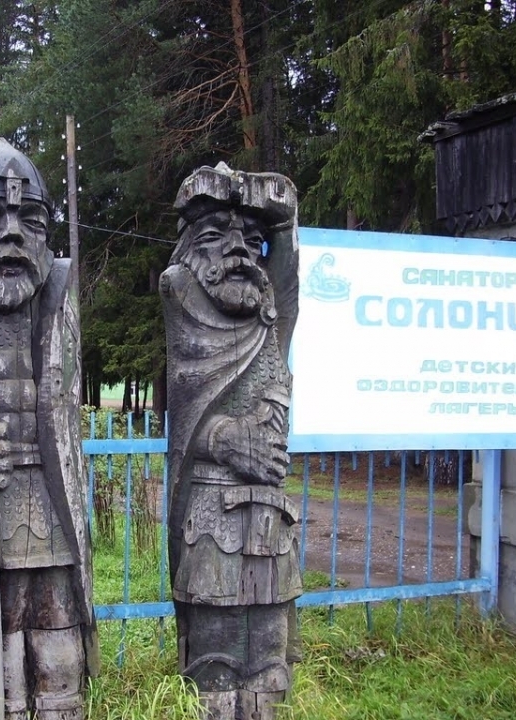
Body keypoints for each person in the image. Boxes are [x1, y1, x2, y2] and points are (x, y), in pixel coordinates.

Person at [0, 138, 97, 720]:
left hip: (51, 502)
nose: (9, 234)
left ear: (46, 235)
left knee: (57, 647)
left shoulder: (60, 299)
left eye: (27, 219)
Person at [161, 161, 302, 720]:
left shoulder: (271, 319)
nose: (239, 249)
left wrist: (277, 214)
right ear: (189, 253)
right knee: (215, 669)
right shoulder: (183, 300)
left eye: (252, 240)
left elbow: (286, 271)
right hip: (210, 519)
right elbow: (186, 413)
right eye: (216, 237)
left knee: (270, 665)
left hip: (270, 522)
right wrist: (224, 439)